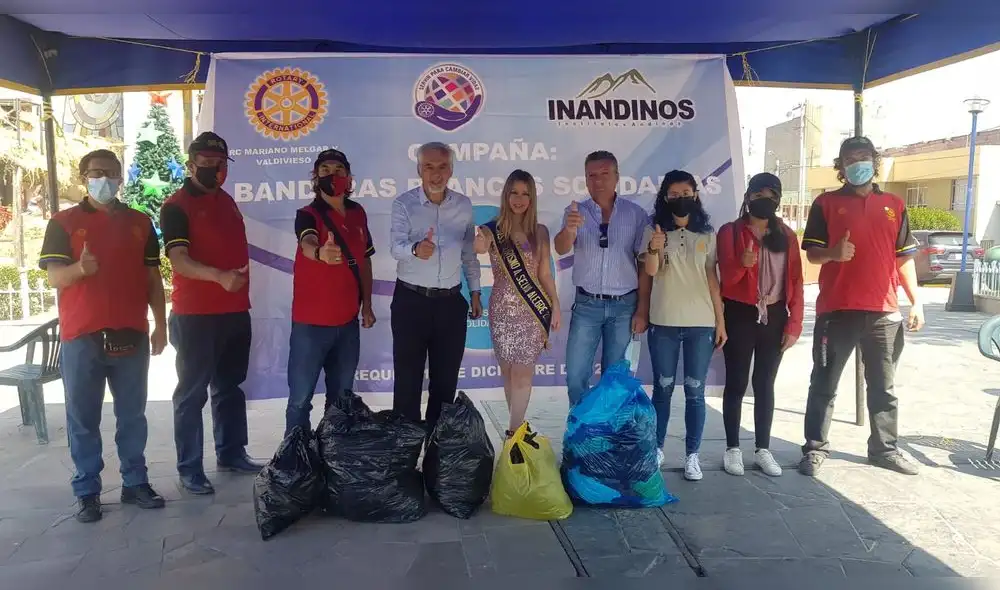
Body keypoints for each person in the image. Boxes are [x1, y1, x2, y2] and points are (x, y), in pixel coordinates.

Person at [39, 149, 167, 522]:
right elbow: (54, 278)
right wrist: (80, 269)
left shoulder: (141, 223)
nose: (105, 180)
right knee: (83, 417)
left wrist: (160, 324)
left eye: (112, 174)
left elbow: (152, 279)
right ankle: (87, 490)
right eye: (97, 173)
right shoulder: (63, 223)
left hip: (131, 333)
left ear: (120, 178)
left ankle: (135, 482)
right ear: (83, 177)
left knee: (132, 416)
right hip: (82, 337)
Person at [799, 136, 923, 477]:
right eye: (850, 159)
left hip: (884, 312)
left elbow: (904, 259)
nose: (858, 164)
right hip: (837, 309)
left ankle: (884, 450)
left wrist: (916, 302)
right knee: (824, 382)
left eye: (864, 157)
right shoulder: (824, 203)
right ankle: (814, 448)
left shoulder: (895, 204)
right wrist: (834, 254)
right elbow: (812, 253)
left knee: (883, 387)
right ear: (841, 167)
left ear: (875, 160)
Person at [160, 132, 262, 495]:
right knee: (191, 393)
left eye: (219, 163)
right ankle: (189, 468)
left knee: (229, 386)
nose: (213, 169)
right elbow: (179, 260)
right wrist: (218, 277)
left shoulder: (227, 200)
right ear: (191, 165)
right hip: (196, 315)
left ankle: (231, 452)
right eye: (205, 163)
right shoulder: (176, 206)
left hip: (235, 310)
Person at [389, 142, 482, 432]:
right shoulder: (404, 204)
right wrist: (416, 249)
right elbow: (395, 247)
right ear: (419, 170)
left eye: (442, 166)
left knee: (445, 381)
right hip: (410, 301)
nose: (436, 173)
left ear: (451, 170)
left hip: (450, 304)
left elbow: (469, 253)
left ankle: (438, 455)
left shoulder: (464, 205)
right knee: (408, 379)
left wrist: (476, 292)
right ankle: (405, 454)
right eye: (429, 166)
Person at [716, 173, 804, 478]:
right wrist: (743, 263)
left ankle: (763, 449)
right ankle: (733, 449)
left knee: (765, 383)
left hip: (775, 315)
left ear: (779, 199)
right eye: (758, 193)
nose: (764, 199)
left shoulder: (788, 236)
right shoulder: (730, 232)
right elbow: (726, 281)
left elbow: (796, 282)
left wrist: (795, 324)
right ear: (748, 197)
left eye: (771, 194)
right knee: (737, 382)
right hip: (739, 313)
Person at [284, 149, 376, 436]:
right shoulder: (307, 215)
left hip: (347, 324)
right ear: (315, 177)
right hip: (310, 326)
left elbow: (364, 260)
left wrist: (368, 305)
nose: (332, 175)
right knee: (300, 400)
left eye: (338, 170)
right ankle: (295, 463)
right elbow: (307, 241)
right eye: (325, 170)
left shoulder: (358, 213)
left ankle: (332, 457)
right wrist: (320, 252)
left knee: (340, 401)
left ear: (348, 178)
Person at [642, 170, 726, 480]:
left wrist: (720, 321)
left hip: (700, 324)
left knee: (695, 392)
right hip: (663, 321)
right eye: (674, 194)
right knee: (661, 391)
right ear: (665, 197)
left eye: (686, 193)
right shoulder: (653, 230)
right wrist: (655, 245)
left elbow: (712, 278)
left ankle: (693, 455)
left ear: (696, 195)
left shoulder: (707, 234)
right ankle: (656, 449)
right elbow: (651, 271)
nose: (681, 199)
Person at [554, 150, 650, 406]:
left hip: (624, 306)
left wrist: (642, 309)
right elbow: (561, 248)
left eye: (604, 174)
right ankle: (581, 435)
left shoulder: (636, 214)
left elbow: (644, 265)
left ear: (617, 177)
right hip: (587, 305)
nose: (598, 181)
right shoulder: (575, 211)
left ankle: (608, 438)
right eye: (591, 176)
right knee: (576, 376)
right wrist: (570, 229)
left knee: (615, 378)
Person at [474, 170, 560, 436]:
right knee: (509, 372)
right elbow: (479, 247)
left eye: (525, 193)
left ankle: (513, 433)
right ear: (506, 195)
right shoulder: (492, 229)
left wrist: (555, 305)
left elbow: (544, 273)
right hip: (502, 310)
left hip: (532, 311)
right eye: (514, 192)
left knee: (523, 372)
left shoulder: (541, 232)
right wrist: (479, 241)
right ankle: (519, 429)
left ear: (532, 198)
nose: (519, 199)